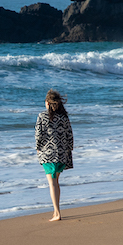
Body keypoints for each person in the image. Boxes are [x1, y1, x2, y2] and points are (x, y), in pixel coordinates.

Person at [35, 89, 74, 221]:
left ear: (48, 103)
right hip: (62, 154)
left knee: (52, 184)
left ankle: (57, 213)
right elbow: (70, 135)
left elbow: (38, 135)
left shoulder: (42, 116)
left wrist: (38, 148)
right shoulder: (64, 117)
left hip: (48, 155)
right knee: (56, 182)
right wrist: (69, 150)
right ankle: (55, 211)